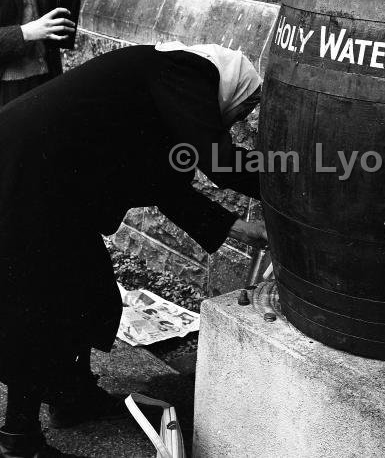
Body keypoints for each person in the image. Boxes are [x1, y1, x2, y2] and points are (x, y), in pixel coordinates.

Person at [0, 42, 268, 458]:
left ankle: (72, 398)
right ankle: (19, 439)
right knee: (41, 310)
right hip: (21, 181)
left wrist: (234, 225)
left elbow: (163, 184)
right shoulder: (186, 71)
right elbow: (223, 163)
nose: (238, 117)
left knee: (89, 291)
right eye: (245, 107)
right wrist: (296, 181)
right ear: (233, 85)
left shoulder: (163, 90)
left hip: (44, 186)